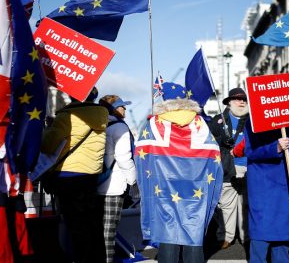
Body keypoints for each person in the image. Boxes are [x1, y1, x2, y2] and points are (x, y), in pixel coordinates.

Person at [134, 82, 223, 263]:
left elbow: (141, 158)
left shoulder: (154, 124)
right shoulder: (200, 124)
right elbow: (214, 159)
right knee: (193, 236)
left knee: (168, 237)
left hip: (163, 189)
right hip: (195, 191)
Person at [40, 87, 108, 263]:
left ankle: (80, 258)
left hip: (68, 176)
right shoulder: (102, 115)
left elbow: (48, 145)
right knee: (93, 224)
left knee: (76, 225)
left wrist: (49, 127)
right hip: (91, 175)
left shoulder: (67, 117)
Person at [243, 121, 289, 263]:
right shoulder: (253, 121)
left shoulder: (288, 120)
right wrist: (274, 147)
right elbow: (250, 151)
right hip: (264, 187)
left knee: (283, 235)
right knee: (261, 234)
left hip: (285, 185)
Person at [97, 95, 137, 263]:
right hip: (113, 184)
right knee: (109, 230)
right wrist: (133, 180)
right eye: (122, 107)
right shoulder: (119, 127)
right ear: (114, 109)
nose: (125, 110)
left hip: (94, 183)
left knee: (96, 228)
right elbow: (123, 158)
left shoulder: (97, 124)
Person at [208, 87, 250, 249]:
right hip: (227, 169)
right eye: (238, 99)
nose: (241, 102)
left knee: (246, 204)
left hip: (248, 168)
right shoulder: (219, 120)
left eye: (244, 99)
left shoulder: (253, 120)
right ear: (229, 102)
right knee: (227, 205)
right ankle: (227, 236)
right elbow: (209, 144)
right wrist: (221, 140)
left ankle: (245, 236)